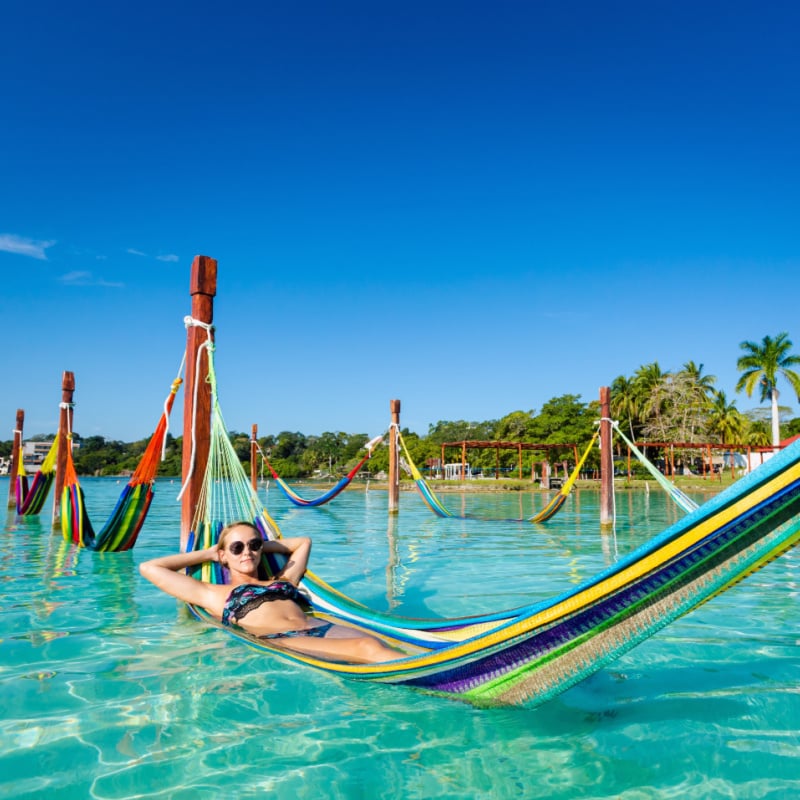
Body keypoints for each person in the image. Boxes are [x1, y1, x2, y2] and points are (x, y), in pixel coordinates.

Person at [139, 520, 399, 664]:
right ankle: (438, 680)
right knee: (367, 646)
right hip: (280, 637)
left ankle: (434, 669)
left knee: (382, 643)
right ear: (223, 555)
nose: (247, 552)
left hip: (317, 625)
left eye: (253, 545)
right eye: (237, 548)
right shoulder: (214, 593)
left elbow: (302, 543)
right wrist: (210, 553)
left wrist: (262, 546)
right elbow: (149, 568)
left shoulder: (283, 579)